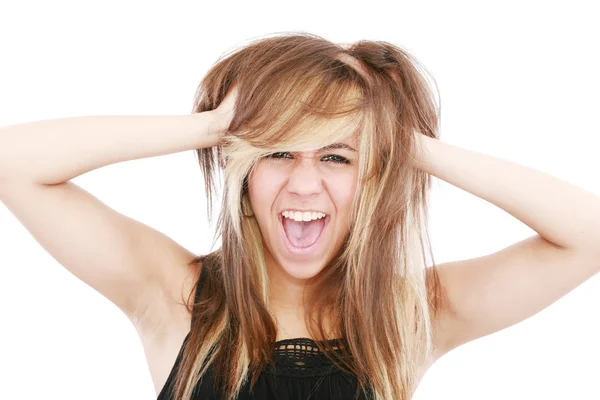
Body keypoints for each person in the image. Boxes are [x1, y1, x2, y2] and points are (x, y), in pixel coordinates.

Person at [0, 32, 599, 400]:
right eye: (278, 152)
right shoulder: (174, 294)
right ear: (244, 170)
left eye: (337, 156)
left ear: (372, 176)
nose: (304, 182)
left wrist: (405, 144)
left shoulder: (411, 316)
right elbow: (11, 161)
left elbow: (589, 235)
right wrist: (211, 127)